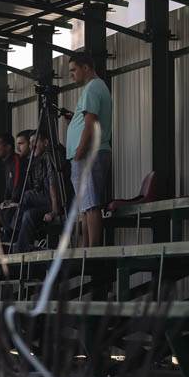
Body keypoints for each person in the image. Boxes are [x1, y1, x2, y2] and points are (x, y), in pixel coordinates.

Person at [66, 51, 113, 247]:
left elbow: (90, 123)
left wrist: (80, 150)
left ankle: (92, 251)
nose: (71, 75)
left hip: (88, 153)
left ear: (86, 68)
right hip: (90, 153)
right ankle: (87, 249)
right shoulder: (96, 87)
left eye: (73, 70)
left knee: (91, 205)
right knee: (86, 206)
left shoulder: (92, 87)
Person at [11, 129, 64, 254]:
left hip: (54, 202)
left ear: (45, 143)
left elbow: (52, 185)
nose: (31, 146)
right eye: (30, 143)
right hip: (45, 202)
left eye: (35, 142)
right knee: (28, 215)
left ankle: (11, 232)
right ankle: (22, 249)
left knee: (27, 196)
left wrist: (54, 211)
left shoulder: (49, 156)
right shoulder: (37, 160)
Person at [0, 131, 31, 255]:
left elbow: (18, 187)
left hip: (19, 207)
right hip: (11, 207)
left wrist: (9, 203)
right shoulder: (7, 164)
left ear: (8, 147)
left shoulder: (17, 160)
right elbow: (8, 191)